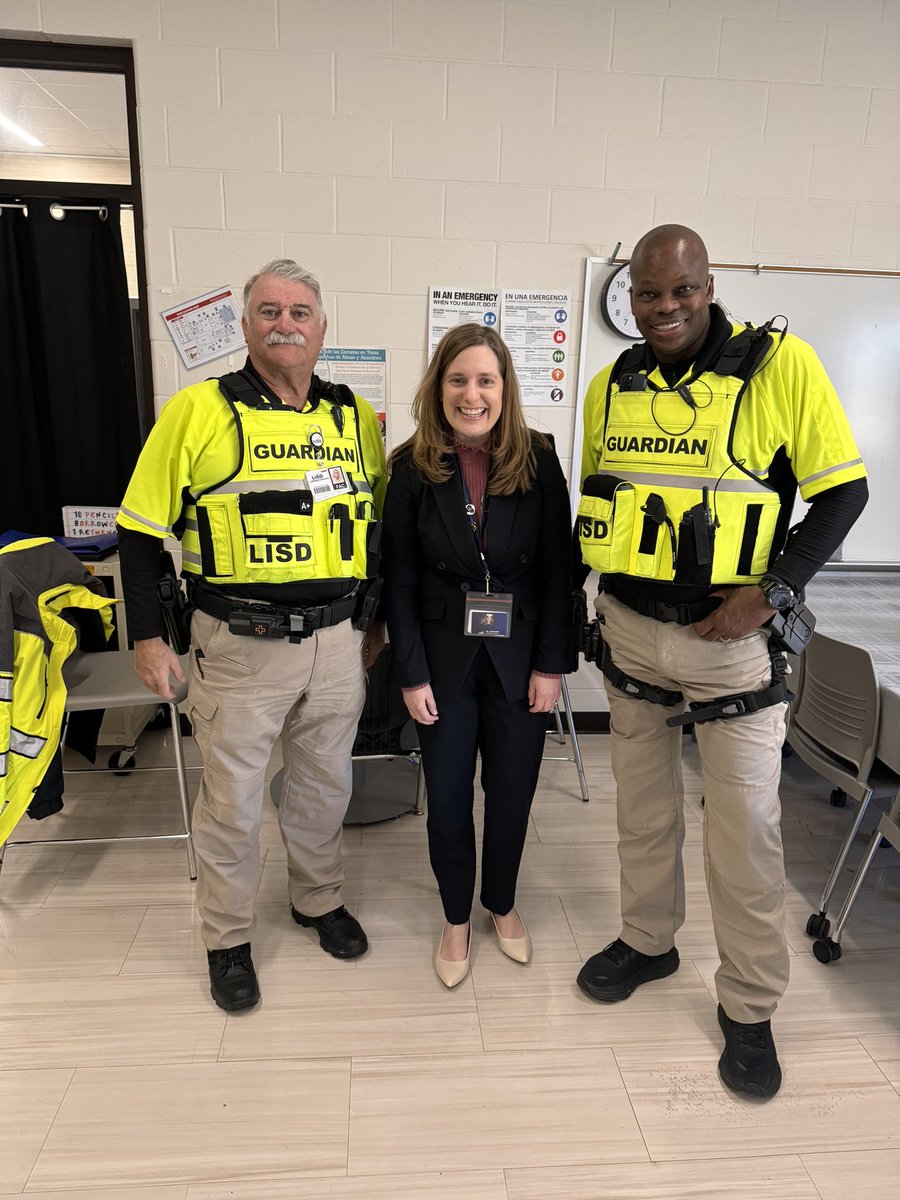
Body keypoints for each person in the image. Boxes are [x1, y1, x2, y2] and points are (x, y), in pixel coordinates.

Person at [575, 225, 868, 1099]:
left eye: (681, 291)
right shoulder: (612, 384)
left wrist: (772, 591)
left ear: (708, 286)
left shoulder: (782, 369)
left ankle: (749, 1005)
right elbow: (598, 509)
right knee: (643, 812)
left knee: (745, 833)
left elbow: (843, 493)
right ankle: (649, 942)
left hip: (732, 648)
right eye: (646, 295)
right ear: (629, 301)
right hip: (630, 630)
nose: (664, 309)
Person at [116, 259, 387, 1012]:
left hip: (335, 646)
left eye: (301, 311)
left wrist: (371, 623)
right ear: (244, 326)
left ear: (322, 327)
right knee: (231, 801)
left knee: (324, 788)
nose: (285, 324)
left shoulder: (352, 417)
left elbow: (379, 530)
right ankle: (227, 938)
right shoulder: (197, 411)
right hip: (238, 644)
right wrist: (146, 637)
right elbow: (138, 534)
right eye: (269, 311)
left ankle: (316, 899)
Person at [382, 325, 572, 988]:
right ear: (438, 388)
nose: (471, 394)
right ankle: (457, 916)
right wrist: (407, 673)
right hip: (440, 665)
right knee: (450, 800)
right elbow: (399, 578)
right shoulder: (409, 468)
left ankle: (503, 903)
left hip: (521, 661)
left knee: (513, 793)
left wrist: (552, 666)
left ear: (505, 388)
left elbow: (558, 572)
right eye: (458, 380)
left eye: (485, 380)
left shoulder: (541, 460)